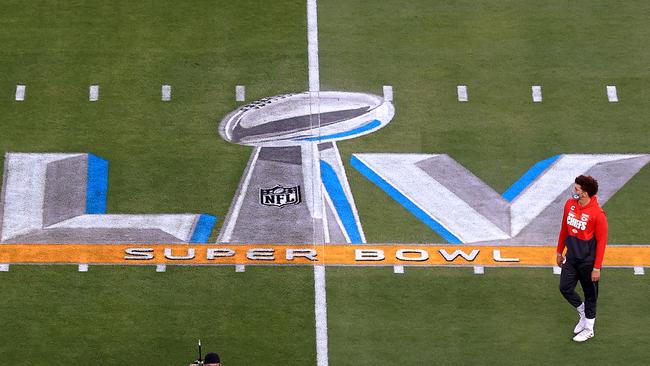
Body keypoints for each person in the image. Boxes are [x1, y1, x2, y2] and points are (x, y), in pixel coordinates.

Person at [556, 175, 608, 342]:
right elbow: (564, 228)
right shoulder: (569, 205)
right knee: (565, 287)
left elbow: (602, 243)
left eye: (577, 189)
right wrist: (559, 252)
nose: (574, 191)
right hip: (571, 258)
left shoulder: (598, 214)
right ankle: (583, 313)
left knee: (590, 295)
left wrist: (597, 267)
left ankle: (589, 329)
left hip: (588, 262)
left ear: (585, 193)